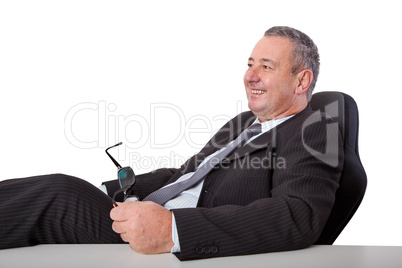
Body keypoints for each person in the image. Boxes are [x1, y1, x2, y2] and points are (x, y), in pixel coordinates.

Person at [0, 26, 343, 261]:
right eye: (250, 64)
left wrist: (172, 229)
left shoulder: (316, 129)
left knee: (58, 193)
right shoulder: (244, 122)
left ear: (301, 81)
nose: (250, 76)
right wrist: (112, 191)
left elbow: (299, 214)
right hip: (145, 210)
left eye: (266, 66)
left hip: (167, 231)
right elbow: (187, 173)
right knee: (59, 191)